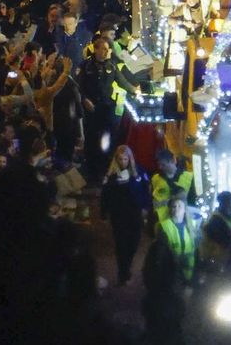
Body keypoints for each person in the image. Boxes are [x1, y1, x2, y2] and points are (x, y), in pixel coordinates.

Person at [78, 34, 137, 178]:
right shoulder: (85, 66)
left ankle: (105, 169)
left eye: (107, 49)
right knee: (91, 139)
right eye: (103, 49)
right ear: (96, 49)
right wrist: (84, 99)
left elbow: (122, 82)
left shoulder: (111, 66)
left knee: (107, 138)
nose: (105, 52)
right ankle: (91, 170)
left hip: (106, 107)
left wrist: (135, 90)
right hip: (91, 107)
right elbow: (79, 86)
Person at [100, 145, 151, 285]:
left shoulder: (138, 172)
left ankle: (126, 266)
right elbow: (105, 195)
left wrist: (146, 207)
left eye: (125, 159)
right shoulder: (111, 175)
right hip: (119, 215)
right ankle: (123, 272)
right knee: (121, 244)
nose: (123, 162)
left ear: (130, 158)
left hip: (134, 214)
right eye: (120, 159)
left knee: (133, 243)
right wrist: (103, 213)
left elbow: (145, 190)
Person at [150, 149, 195, 225]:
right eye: (159, 165)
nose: (160, 167)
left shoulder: (189, 177)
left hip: (183, 222)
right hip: (162, 223)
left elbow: (193, 202)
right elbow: (152, 201)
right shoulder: (155, 179)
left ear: (173, 161)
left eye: (163, 165)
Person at [200, 190, 231, 271]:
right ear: (224, 204)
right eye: (230, 204)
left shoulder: (225, 219)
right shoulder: (216, 221)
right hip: (216, 265)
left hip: (221, 263)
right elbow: (227, 242)